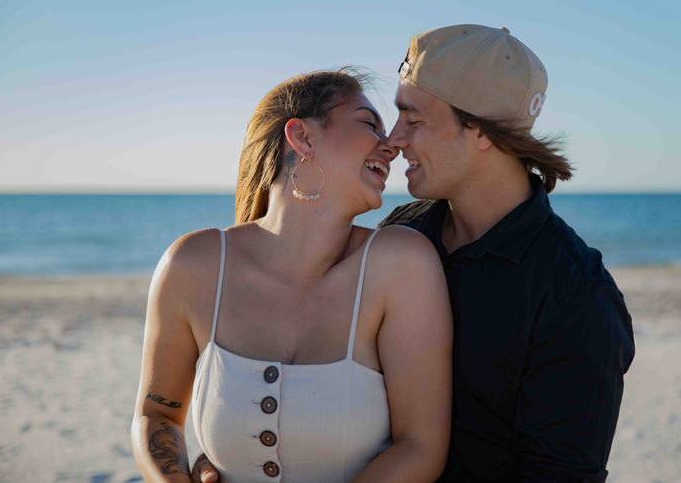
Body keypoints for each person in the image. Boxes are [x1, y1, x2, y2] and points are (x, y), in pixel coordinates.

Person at [192, 25, 635, 482]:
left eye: (413, 120)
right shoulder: (401, 233)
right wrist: (232, 454)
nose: (394, 140)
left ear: (481, 130)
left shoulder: (576, 295)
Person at [132, 70, 452, 482]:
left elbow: (420, 447)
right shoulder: (193, 265)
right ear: (302, 137)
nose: (390, 144)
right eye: (368, 123)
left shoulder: (401, 264)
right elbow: (156, 415)